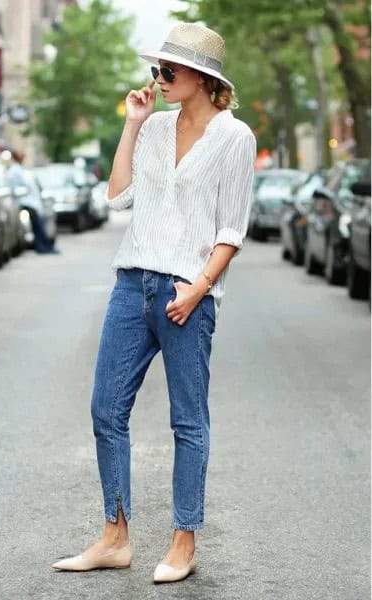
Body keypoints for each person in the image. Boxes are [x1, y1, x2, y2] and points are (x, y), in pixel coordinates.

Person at [52, 22, 256, 583]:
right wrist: (133, 124)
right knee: (105, 410)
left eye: (169, 71)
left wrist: (198, 287)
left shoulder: (234, 138)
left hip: (185, 294)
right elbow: (118, 197)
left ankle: (183, 542)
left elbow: (232, 228)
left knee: (188, 421)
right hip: (130, 285)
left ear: (202, 78)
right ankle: (115, 537)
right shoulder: (155, 127)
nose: (159, 80)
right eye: (157, 71)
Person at [6, 151, 59, 255]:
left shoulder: (20, 170)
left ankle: (45, 247)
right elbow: (17, 189)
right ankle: (43, 247)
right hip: (25, 204)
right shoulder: (14, 171)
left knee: (39, 227)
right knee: (38, 227)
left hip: (30, 203)